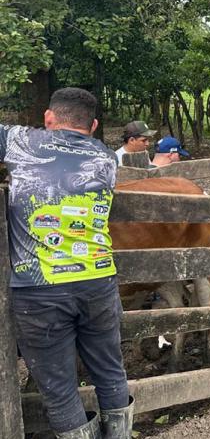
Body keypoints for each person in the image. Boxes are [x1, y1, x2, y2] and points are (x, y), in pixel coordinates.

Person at [6, 88, 132, 438]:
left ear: (48, 118)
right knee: (110, 372)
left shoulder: (21, 141)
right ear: (93, 125)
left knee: (61, 393)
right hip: (99, 280)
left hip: (38, 288)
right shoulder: (108, 158)